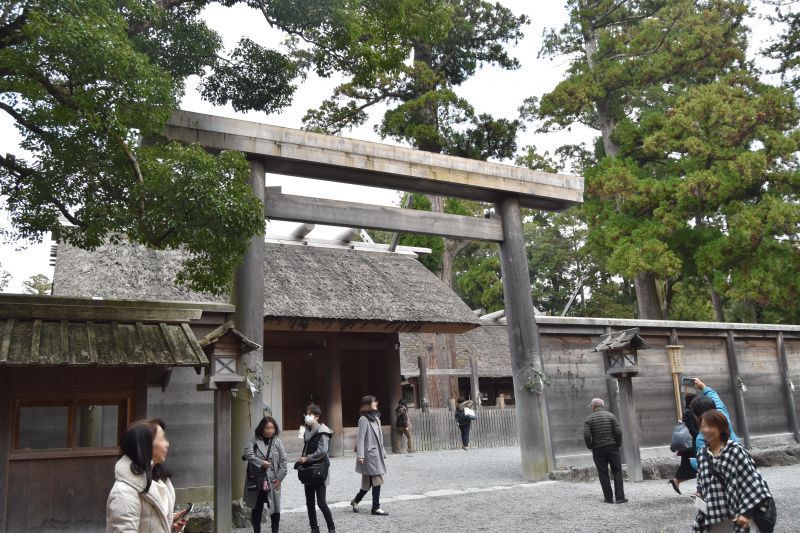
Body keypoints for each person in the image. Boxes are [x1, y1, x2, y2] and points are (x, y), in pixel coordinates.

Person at [692, 410, 774, 533]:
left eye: (710, 426)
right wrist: (699, 492)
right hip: (714, 515)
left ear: (721, 428)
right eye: (703, 426)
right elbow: (701, 477)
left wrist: (746, 513)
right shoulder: (701, 454)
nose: (706, 430)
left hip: (737, 515)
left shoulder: (735, 451)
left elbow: (752, 483)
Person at [106, 419, 186, 533]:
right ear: (146, 446)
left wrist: (169, 526)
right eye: (162, 439)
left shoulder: (158, 480)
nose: (167, 444)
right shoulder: (123, 493)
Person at [243, 416, 287, 533]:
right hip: (257, 479)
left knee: (275, 508)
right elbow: (248, 453)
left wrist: (279, 478)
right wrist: (261, 463)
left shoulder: (277, 441)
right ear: (262, 428)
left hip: (273, 480)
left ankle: (275, 531)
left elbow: (284, 461)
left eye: (272, 428)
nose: (269, 430)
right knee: (256, 508)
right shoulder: (254, 439)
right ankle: (256, 531)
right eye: (267, 428)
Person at [299, 404, 335, 533]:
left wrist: (307, 458)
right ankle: (314, 528)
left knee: (321, 502)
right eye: (306, 414)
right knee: (309, 503)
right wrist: (302, 458)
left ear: (317, 416)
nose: (307, 416)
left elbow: (322, 451)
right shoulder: (305, 430)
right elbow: (306, 447)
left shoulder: (323, 430)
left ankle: (331, 528)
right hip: (308, 469)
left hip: (320, 469)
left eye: (310, 414)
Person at [350, 395, 389, 516]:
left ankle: (356, 501)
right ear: (367, 405)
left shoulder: (376, 417)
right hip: (369, 456)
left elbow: (380, 438)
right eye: (373, 402)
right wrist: (360, 456)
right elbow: (360, 438)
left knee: (367, 484)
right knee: (377, 479)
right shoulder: (363, 419)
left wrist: (383, 452)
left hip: (376, 454)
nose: (376, 403)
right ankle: (376, 508)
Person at [583, 398, 627, 504]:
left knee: (603, 473)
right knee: (617, 471)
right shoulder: (611, 416)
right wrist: (618, 443)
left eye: (591, 406)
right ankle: (620, 498)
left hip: (598, 449)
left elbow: (587, 435)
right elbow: (618, 431)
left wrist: (590, 446)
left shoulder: (589, 419)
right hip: (612, 447)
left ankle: (608, 498)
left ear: (594, 406)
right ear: (602, 406)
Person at [689, 378, 739, 470]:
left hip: (723, 473)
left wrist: (693, 462)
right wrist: (702, 386)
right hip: (737, 461)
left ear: (697, 417)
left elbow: (706, 466)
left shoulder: (702, 437)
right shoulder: (722, 415)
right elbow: (715, 398)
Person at [669, 393, 699, 494]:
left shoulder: (690, 412)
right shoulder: (688, 413)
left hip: (690, 444)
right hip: (691, 444)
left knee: (687, 465)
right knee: (694, 465)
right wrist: (700, 436)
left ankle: (676, 481)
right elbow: (691, 428)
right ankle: (698, 489)